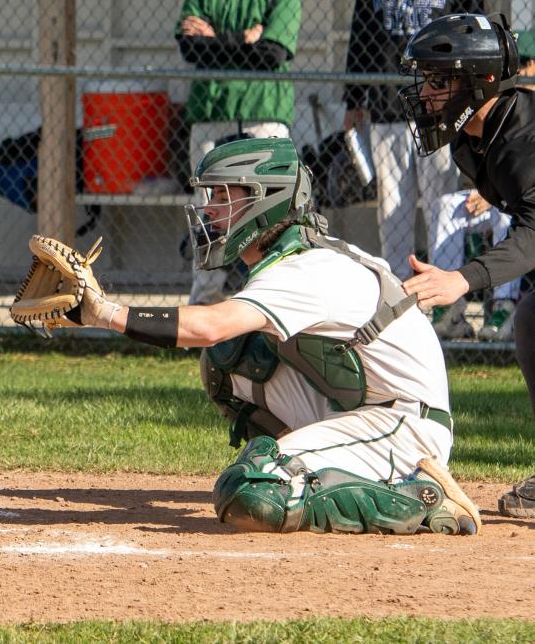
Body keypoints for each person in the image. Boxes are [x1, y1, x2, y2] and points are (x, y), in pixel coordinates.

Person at [71, 137, 480, 535]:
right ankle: (308, 469)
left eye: (221, 198)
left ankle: (417, 498)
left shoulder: (304, 269)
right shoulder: (292, 256)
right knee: (230, 360)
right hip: (362, 405)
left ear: (263, 201)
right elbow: (221, 340)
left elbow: (208, 325)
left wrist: (104, 313)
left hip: (403, 426)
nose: (209, 211)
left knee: (250, 492)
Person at [399, 11, 535, 520]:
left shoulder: (524, 138)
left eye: (438, 81)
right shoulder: (469, 142)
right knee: (531, 318)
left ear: (477, 83)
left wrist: (461, 278)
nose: (427, 94)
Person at [343, 0, 485, 279]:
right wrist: (354, 100)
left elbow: (476, 41)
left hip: (441, 109)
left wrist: (471, 100)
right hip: (389, 108)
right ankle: (400, 293)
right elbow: (361, 40)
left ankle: (448, 303)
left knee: (442, 206)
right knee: (393, 212)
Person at [176, 0, 301, 305]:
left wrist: (215, 40)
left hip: (264, 112)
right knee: (209, 212)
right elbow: (190, 48)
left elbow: (274, 53)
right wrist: (243, 39)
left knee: (269, 213)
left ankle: (272, 301)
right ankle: (205, 304)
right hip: (213, 110)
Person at [425, 188, 518, 341]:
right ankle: (448, 310)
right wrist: (488, 192)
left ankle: (504, 308)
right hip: (494, 191)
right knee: (446, 205)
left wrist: (495, 195)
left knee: (506, 211)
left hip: (520, 199)